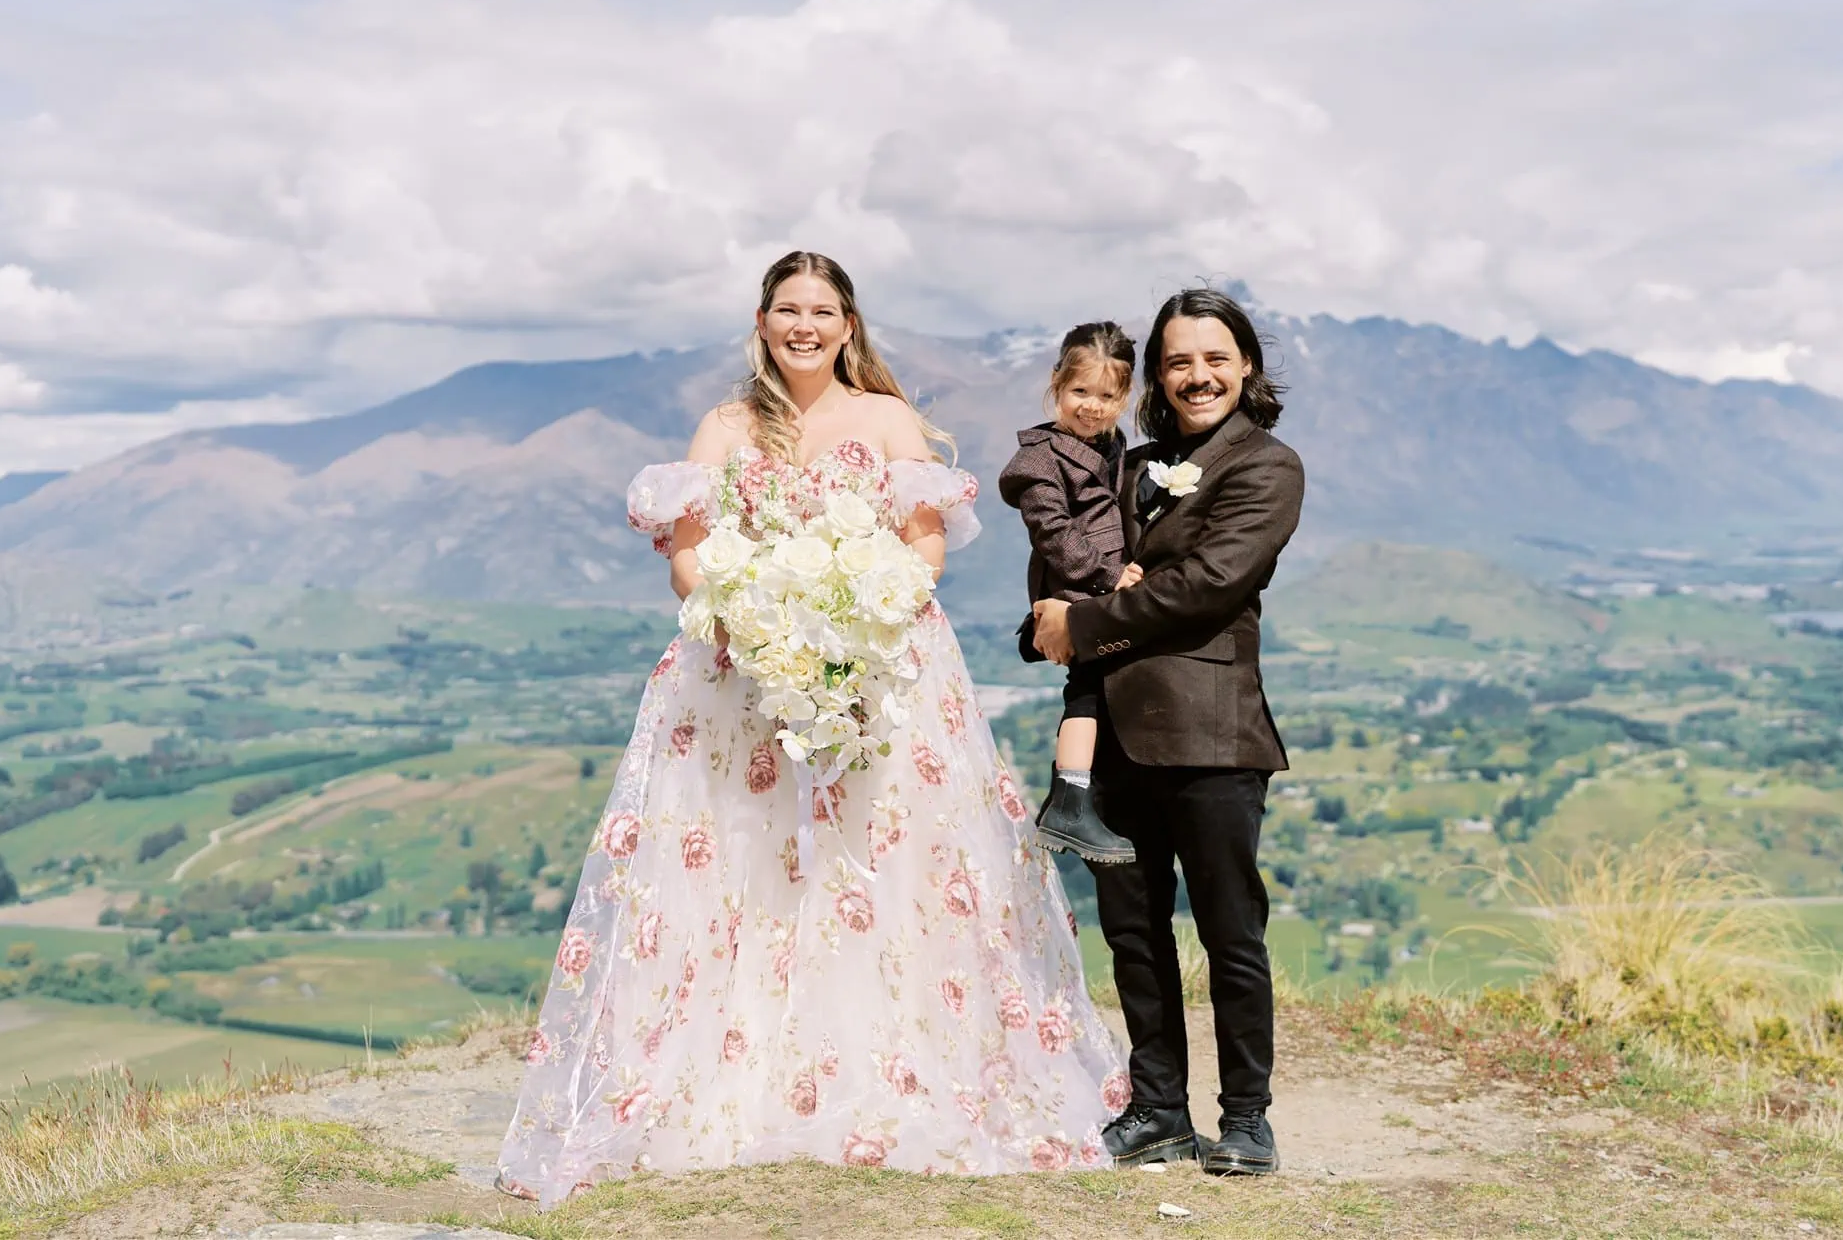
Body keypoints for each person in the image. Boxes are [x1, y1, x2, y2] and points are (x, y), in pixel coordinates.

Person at [497, 252, 1127, 1205]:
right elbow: (687, 560)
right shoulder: (723, 426)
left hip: (882, 674)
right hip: (739, 677)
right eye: (787, 309)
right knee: (742, 865)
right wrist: (761, 618)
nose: (804, 325)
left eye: (822, 310)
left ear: (848, 324)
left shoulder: (884, 418)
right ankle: (736, 1074)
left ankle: (888, 1061)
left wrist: (852, 631)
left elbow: (923, 549)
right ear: (760, 320)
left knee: (881, 857)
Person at [1030, 288, 1304, 1177]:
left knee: (1231, 931)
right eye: (1179, 361)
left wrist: (1089, 621)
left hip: (1213, 737)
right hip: (1111, 734)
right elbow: (1071, 550)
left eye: (1214, 357)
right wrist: (1048, 621)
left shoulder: (1267, 468)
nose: (1197, 375)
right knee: (1133, 935)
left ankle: (1247, 1116)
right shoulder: (1125, 461)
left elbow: (1208, 585)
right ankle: (1157, 1109)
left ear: (1246, 365)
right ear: (1158, 375)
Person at [997, 323, 1145, 865]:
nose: (1092, 407)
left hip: (1101, 589)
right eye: (1080, 392)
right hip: (1077, 589)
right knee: (1086, 688)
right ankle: (1069, 801)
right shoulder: (1040, 458)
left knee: (1095, 690)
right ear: (1056, 385)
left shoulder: (1112, 446)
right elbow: (1053, 533)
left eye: (1107, 396)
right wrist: (1108, 577)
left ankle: (1074, 798)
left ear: (1124, 398)